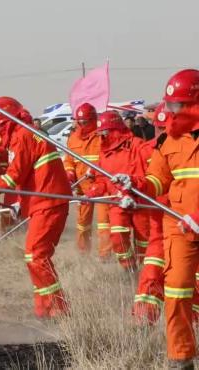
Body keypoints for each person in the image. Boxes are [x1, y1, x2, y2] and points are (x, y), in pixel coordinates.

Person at [118, 69, 199, 368]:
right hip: (180, 227)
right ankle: (182, 358)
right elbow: (157, 180)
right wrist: (135, 185)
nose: (173, 112)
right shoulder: (169, 142)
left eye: (179, 105)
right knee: (176, 290)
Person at [0, 97, 71, 318]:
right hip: (42, 200)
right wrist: (19, 203)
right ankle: (44, 309)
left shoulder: (22, 136)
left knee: (36, 255)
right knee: (34, 256)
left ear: (7, 122)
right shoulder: (25, 133)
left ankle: (59, 311)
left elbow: (13, 177)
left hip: (49, 201)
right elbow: (31, 177)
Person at [85, 111, 150, 270]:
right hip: (117, 202)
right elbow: (102, 181)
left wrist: (133, 189)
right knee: (117, 236)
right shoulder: (104, 153)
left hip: (140, 201)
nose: (102, 137)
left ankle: (144, 273)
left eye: (105, 133)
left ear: (115, 130)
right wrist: (90, 193)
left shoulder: (138, 145)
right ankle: (129, 269)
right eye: (100, 133)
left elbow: (150, 174)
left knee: (144, 242)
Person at [132, 102, 172, 324]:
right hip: (160, 222)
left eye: (166, 129)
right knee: (152, 270)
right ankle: (143, 321)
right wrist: (130, 191)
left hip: (189, 223)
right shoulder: (147, 150)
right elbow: (142, 180)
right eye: (159, 128)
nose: (162, 134)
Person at [63, 103, 111, 259]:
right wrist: (69, 174)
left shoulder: (102, 136)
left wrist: (96, 169)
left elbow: (109, 158)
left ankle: (105, 256)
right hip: (82, 187)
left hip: (101, 186)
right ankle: (83, 252)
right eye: (79, 122)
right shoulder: (73, 139)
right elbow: (69, 161)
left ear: (93, 120)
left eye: (85, 122)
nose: (81, 125)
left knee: (104, 223)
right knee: (82, 222)